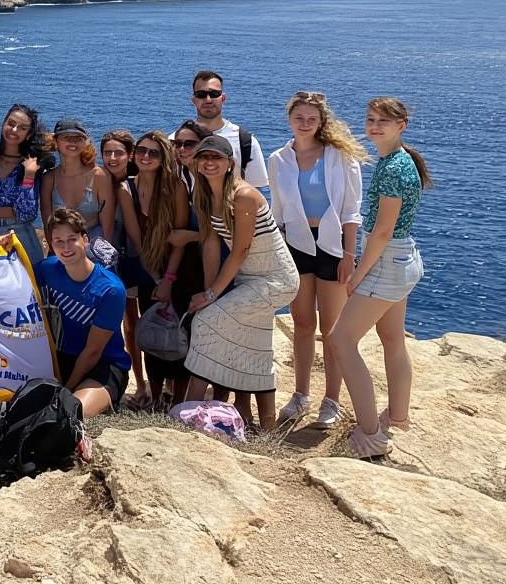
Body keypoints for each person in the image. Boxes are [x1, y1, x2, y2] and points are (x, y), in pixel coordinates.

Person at [327, 98, 431, 460]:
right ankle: (397, 417)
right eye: (371, 120)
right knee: (391, 338)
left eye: (383, 121)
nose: (374, 126)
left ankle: (371, 436)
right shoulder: (399, 161)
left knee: (341, 341)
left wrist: (357, 273)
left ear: (402, 125)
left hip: (386, 261)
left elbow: (382, 232)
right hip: (404, 258)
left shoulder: (393, 167)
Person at [183, 135, 299, 431]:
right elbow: (210, 242)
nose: (209, 163)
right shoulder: (204, 193)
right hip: (248, 279)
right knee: (255, 347)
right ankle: (266, 429)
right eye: (204, 158)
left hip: (276, 278)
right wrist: (212, 292)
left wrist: (211, 295)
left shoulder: (243, 195)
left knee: (205, 323)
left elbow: (241, 250)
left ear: (229, 164)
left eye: (216, 158)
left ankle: (187, 414)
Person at [268, 91, 365, 428]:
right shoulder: (279, 159)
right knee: (303, 323)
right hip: (295, 244)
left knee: (332, 328)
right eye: (299, 118)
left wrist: (349, 255)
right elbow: (277, 213)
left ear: (322, 121)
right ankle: (301, 395)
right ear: (290, 119)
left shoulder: (339, 156)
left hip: (333, 245)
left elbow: (352, 210)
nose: (305, 123)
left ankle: (332, 400)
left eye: (312, 118)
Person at [21, 209, 131, 417]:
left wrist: (64, 390)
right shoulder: (47, 269)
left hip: (103, 366)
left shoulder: (111, 290)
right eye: (58, 241)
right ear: (50, 244)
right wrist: (7, 249)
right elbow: (11, 279)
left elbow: (92, 352)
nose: (65, 247)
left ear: (85, 240)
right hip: (61, 360)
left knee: (69, 413)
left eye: (72, 239)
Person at [118, 131, 199, 409]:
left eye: (153, 152)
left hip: (179, 269)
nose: (145, 156)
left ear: (163, 156)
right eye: (141, 150)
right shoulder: (126, 189)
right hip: (147, 267)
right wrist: (154, 277)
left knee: (179, 330)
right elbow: (137, 239)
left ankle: (177, 397)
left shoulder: (174, 187)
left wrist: (168, 279)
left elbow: (179, 238)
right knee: (152, 329)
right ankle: (154, 396)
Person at [101, 128, 152, 409]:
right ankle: (140, 384)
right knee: (129, 324)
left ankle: (155, 384)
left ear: (129, 155)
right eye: (107, 152)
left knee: (146, 321)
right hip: (114, 261)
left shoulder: (138, 183)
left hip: (139, 259)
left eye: (118, 152)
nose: (112, 158)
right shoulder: (100, 180)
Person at [0, 104, 48, 265]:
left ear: (29, 133)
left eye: (22, 128)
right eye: (11, 123)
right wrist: (4, 211)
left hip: (20, 241)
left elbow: (27, 214)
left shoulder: (32, 166)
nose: (14, 130)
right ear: (3, 123)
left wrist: (29, 176)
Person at [189, 70, 268, 187]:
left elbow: (256, 192)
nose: (208, 99)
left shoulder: (245, 142)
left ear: (223, 98)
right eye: (201, 94)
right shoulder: (178, 143)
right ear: (194, 100)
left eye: (214, 94)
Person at [40, 118, 115, 241]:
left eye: (78, 138)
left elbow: (108, 226)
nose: (73, 142)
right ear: (55, 142)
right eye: (67, 137)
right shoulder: (49, 179)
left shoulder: (100, 176)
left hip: (94, 248)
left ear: (85, 142)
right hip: (62, 249)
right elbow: (48, 225)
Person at [171, 119, 208, 197]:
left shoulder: (215, 175)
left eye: (189, 144)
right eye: (178, 143)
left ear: (204, 144)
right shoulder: (182, 173)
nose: (182, 149)